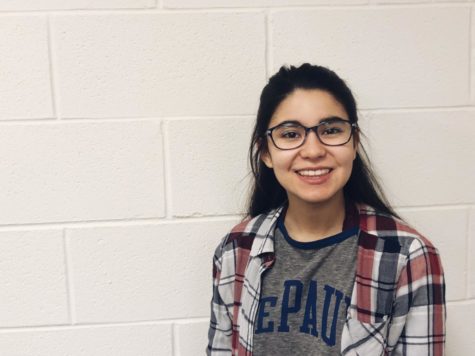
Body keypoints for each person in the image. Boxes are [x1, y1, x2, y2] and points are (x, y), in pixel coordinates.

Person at [207, 63, 446, 355]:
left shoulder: (407, 256)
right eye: (290, 134)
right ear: (266, 152)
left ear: (355, 142)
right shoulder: (237, 249)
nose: (313, 151)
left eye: (331, 130)